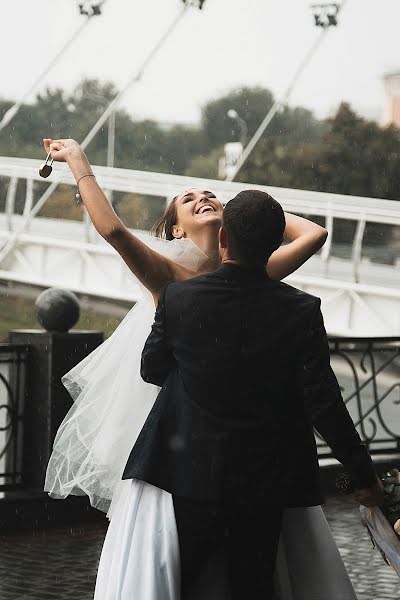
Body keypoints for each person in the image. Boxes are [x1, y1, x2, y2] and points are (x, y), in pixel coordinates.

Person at [41, 138, 359, 599]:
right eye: (188, 201)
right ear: (175, 231)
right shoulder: (169, 281)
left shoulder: (258, 272)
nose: (203, 198)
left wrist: (246, 210)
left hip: (240, 459)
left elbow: (313, 235)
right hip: (186, 449)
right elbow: (113, 231)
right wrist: (78, 163)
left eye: (211, 195)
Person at [124, 190, 383, 599]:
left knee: (187, 580)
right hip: (266, 476)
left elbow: (151, 369)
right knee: (254, 581)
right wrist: (361, 475)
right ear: (274, 243)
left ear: (223, 239)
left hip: (193, 471)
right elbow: (323, 400)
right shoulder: (301, 309)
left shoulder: (180, 298)